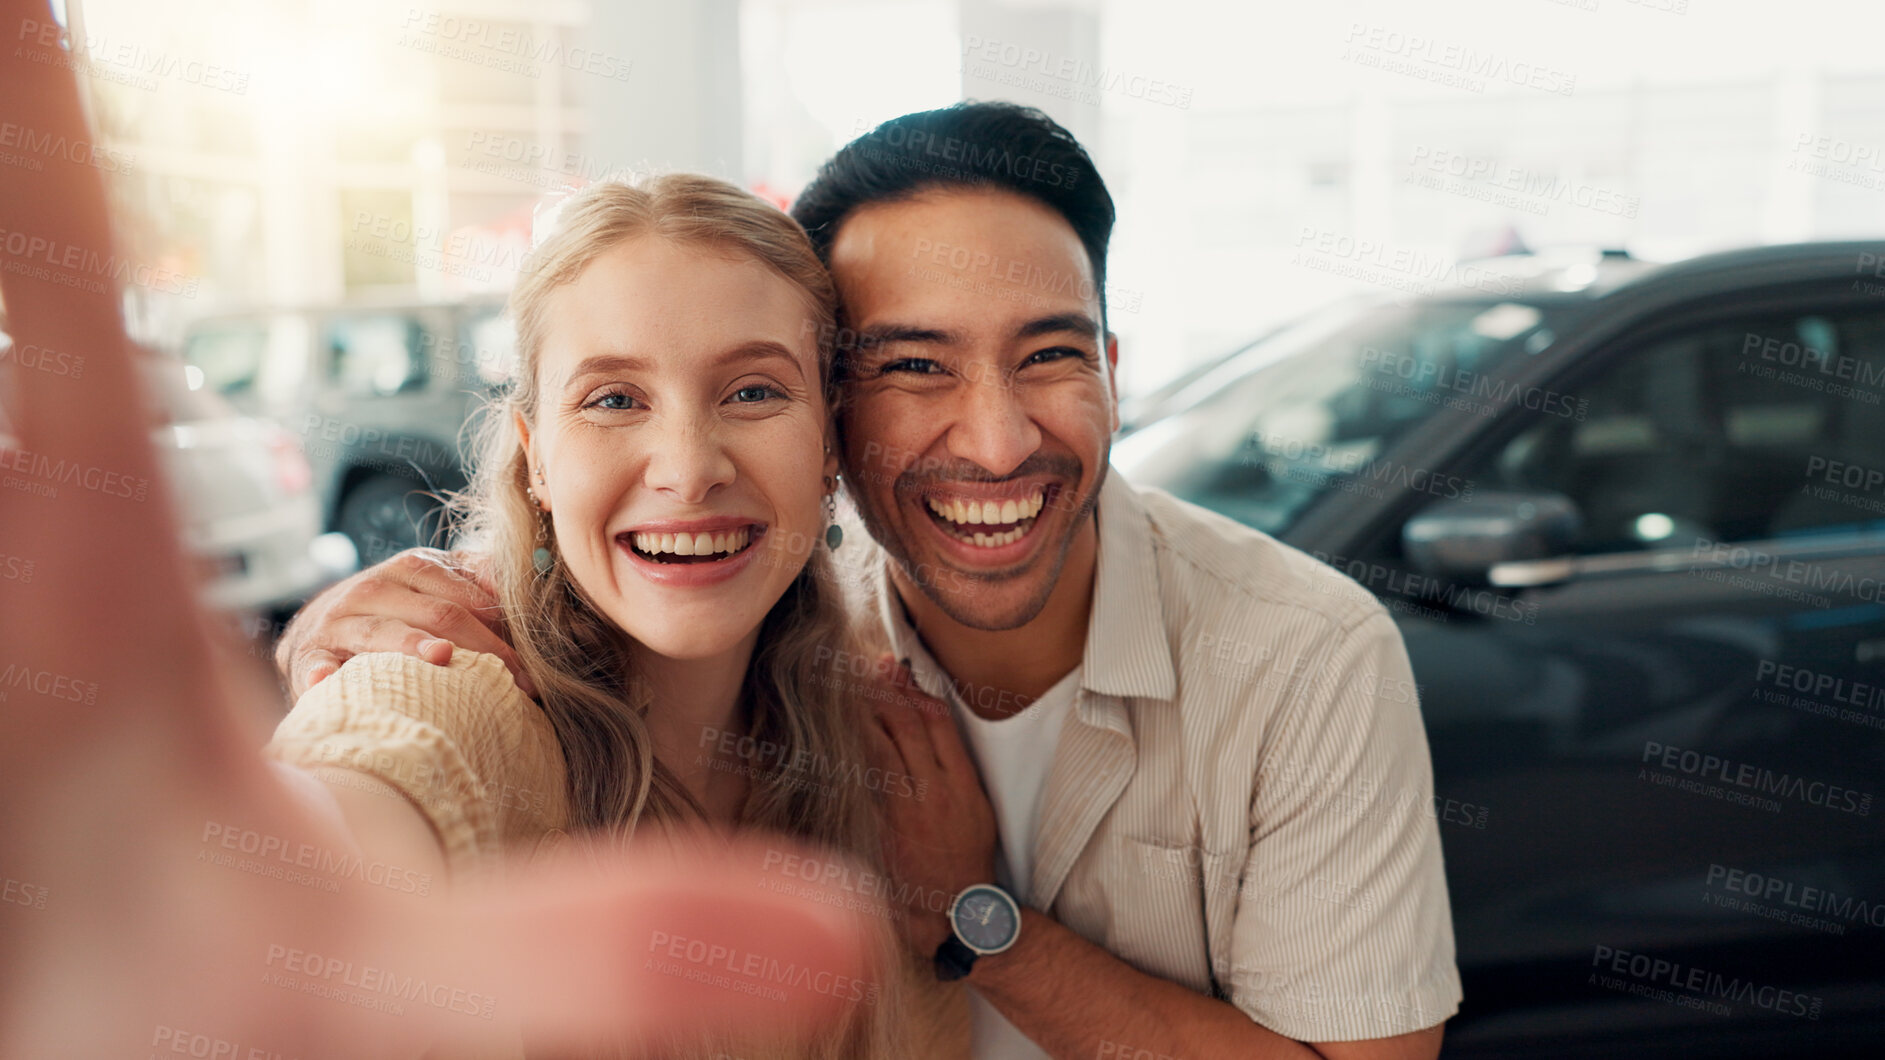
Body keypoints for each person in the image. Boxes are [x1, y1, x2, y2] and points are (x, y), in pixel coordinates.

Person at [280, 102, 1462, 1059]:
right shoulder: (489, 674)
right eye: (914, 364)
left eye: (1049, 355)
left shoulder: (1300, 653)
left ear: (1112, 367)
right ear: (843, 411)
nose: (997, 444)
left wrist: (973, 920)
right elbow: (366, 802)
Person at [0, 15, 886, 1060]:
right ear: (535, 459)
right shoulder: (456, 682)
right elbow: (370, 785)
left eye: (750, 389)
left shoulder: (884, 723)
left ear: (827, 443)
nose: (688, 465)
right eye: (612, 399)